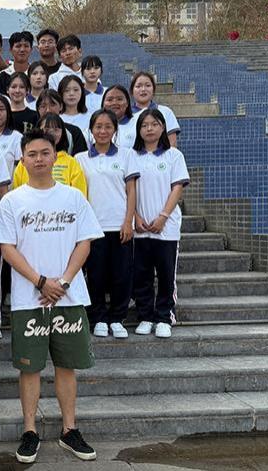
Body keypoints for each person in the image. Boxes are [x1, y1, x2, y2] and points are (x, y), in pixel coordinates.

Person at [0, 127, 103, 464]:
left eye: (45, 153)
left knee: (67, 366)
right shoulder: (12, 201)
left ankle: (70, 429)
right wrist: (41, 281)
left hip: (69, 298)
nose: (39, 159)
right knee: (29, 368)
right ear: (22, 160)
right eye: (32, 154)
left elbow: (85, 242)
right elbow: (7, 249)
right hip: (30, 300)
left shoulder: (73, 197)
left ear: (56, 156)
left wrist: (64, 282)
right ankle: (30, 431)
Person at [75, 110, 139, 339]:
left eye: (108, 127)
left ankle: (117, 318)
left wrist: (129, 221)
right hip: (93, 228)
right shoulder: (80, 158)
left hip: (119, 225)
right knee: (96, 275)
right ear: (91, 130)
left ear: (115, 130)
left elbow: (131, 190)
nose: (102, 131)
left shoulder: (126, 155)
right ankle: (99, 318)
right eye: (98, 127)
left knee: (122, 274)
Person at [132, 109, 189, 339]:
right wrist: (135, 217)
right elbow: (128, 190)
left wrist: (163, 217)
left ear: (163, 127)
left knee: (166, 274)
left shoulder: (173, 155)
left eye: (154, 124)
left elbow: (177, 188)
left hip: (167, 227)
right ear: (138, 130)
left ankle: (165, 316)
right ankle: (145, 316)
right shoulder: (131, 156)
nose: (149, 129)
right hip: (140, 228)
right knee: (141, 275)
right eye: (144, 125)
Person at [13, 115, 87, 196]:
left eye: (56, 130)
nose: (51, 133)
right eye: (47, 129)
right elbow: (16, 193)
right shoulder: (25, 162)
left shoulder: (71, 163)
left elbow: (79, 195)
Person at [130, 71, 180, 148]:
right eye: (138, 86)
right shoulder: (125, 116)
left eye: (148, 85)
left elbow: (172, 143)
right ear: (132, 91)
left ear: (153, 89)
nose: (143, 89)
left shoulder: (166, 112)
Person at [35, 90, 88, 155]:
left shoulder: (74, 132)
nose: (48, 110)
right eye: (43, 106)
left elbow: (80, 157)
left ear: (61, 106)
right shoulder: (32, 132)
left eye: (52, 105)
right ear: (38, 109)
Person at [58, 76, 90, 143]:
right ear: (61, 93)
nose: (71, 94)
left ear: (82, 92)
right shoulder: (57, 117)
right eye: (66, 90)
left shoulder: (90, 117)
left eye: (76, 90)